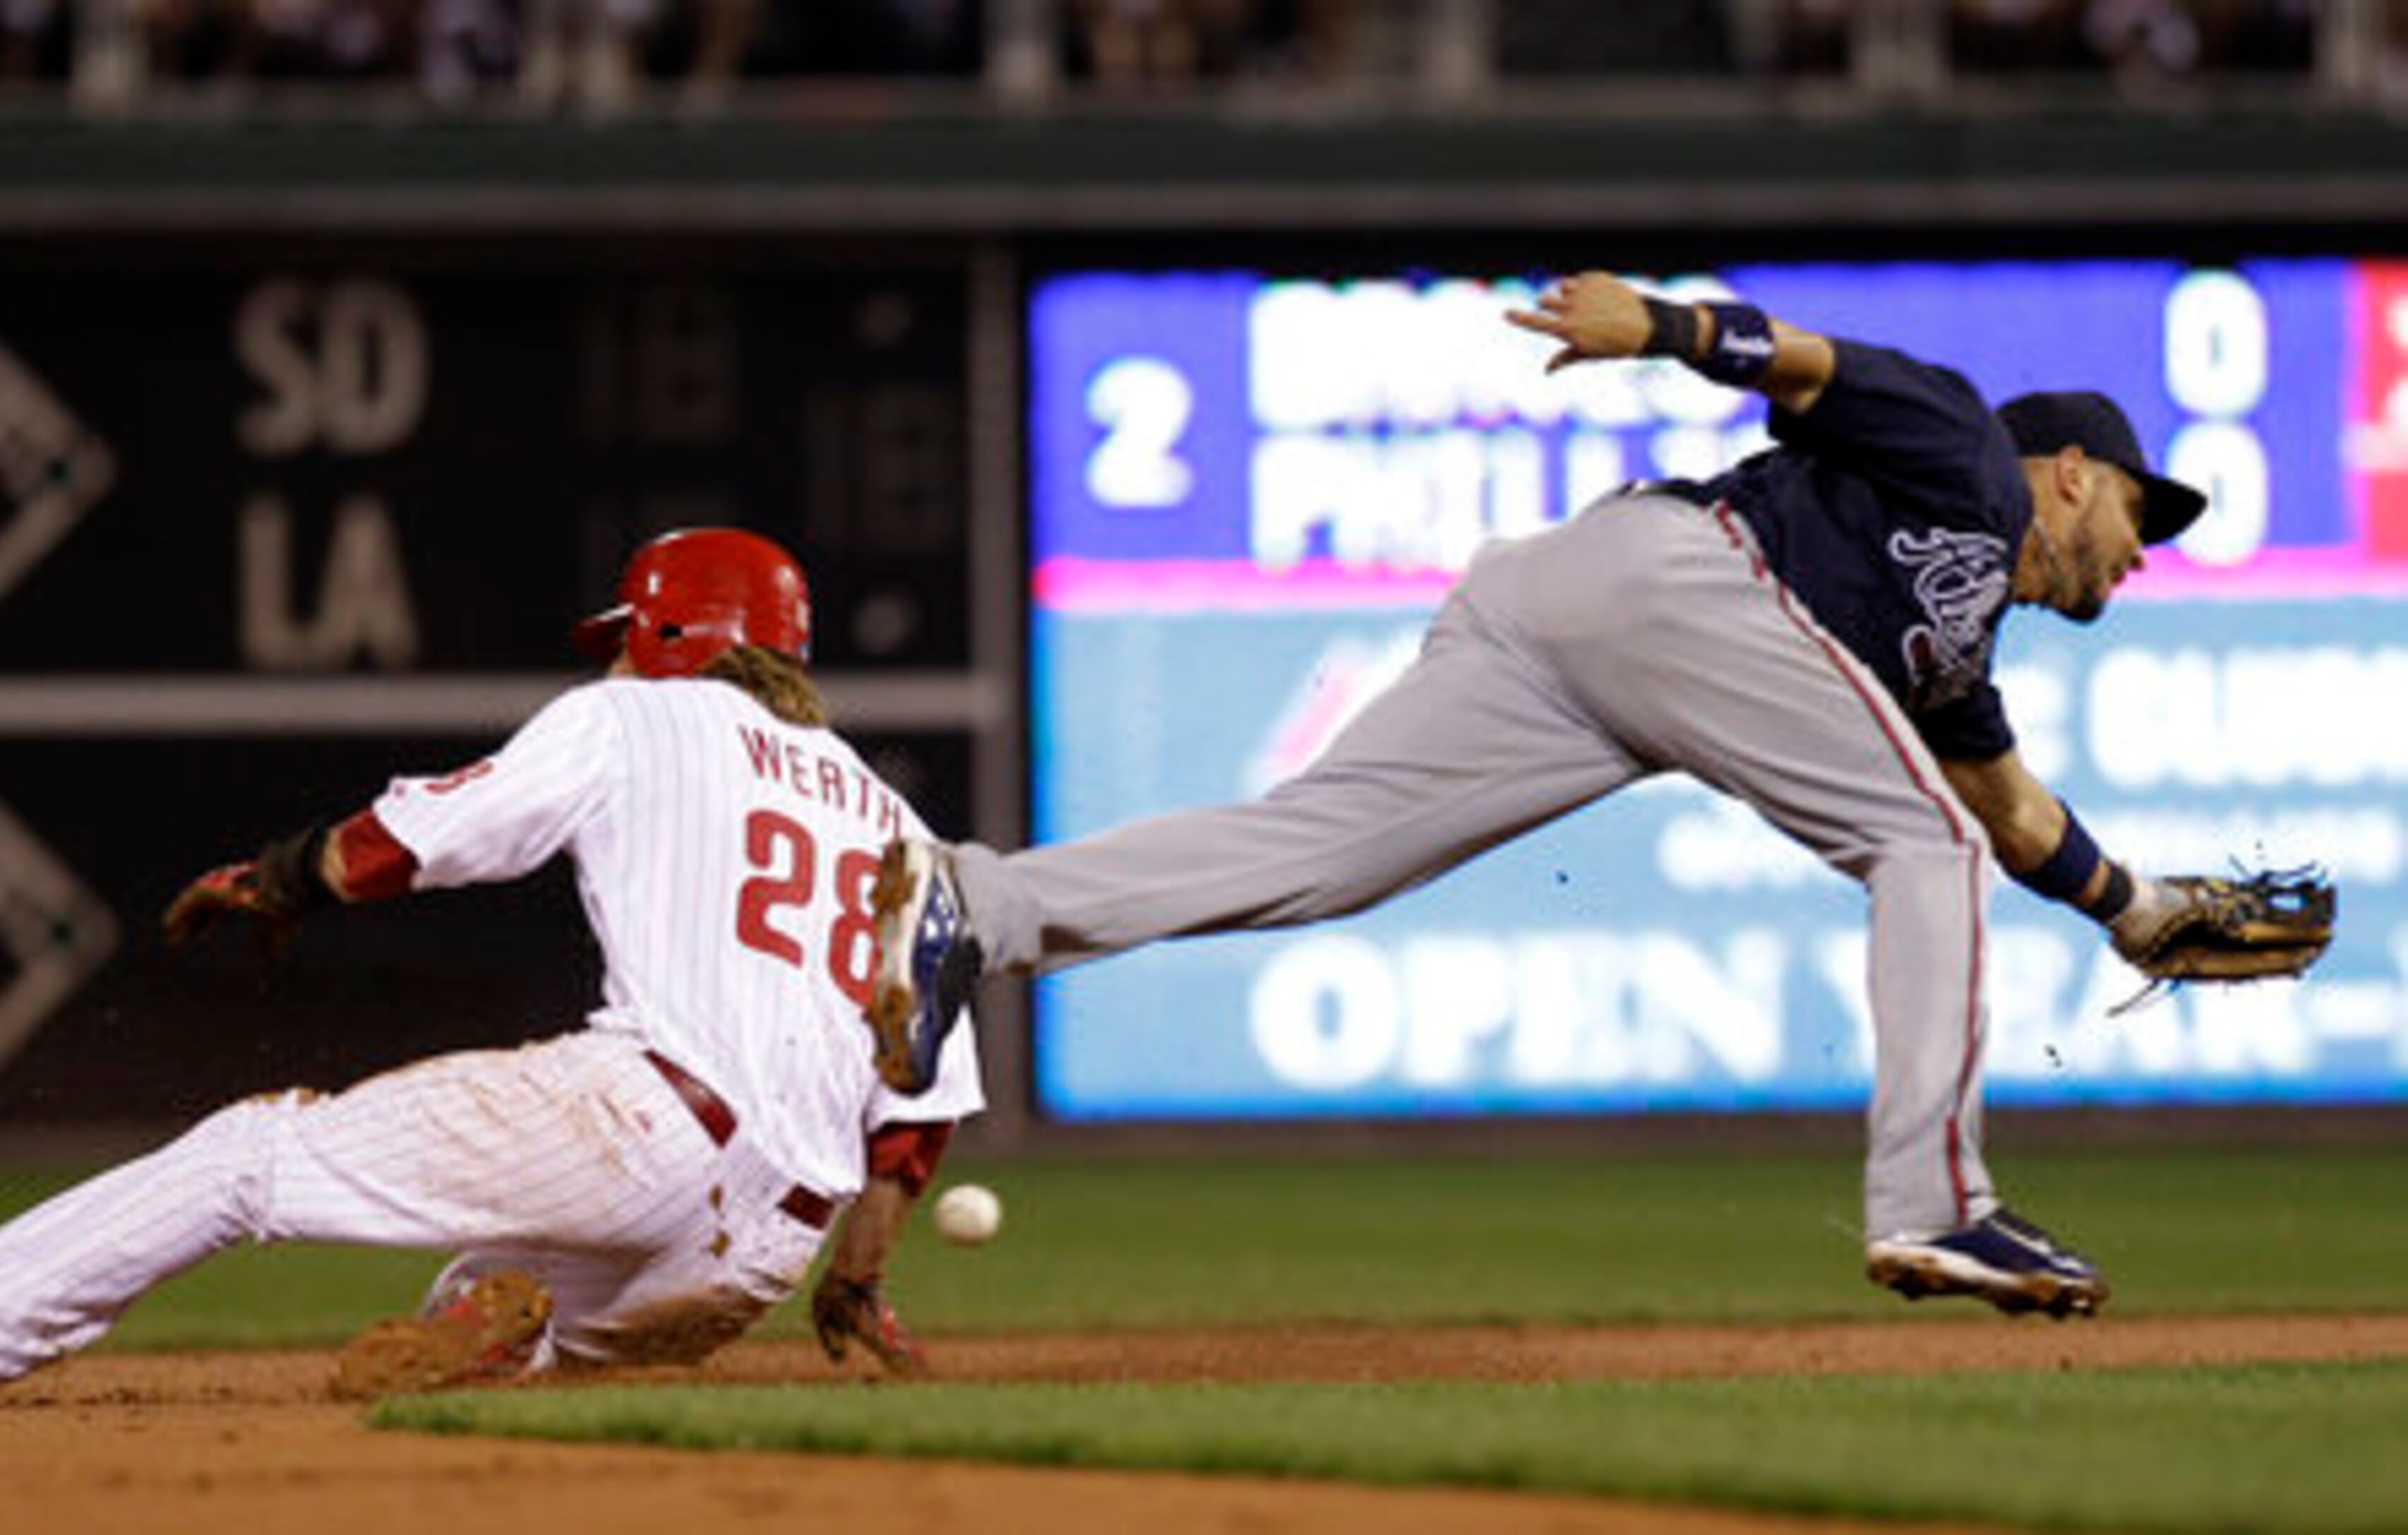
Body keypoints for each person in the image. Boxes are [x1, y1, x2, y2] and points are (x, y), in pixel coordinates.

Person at [868, 270, 2214, 1320]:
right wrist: (1672, 328)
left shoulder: (1956, 657)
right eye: (2141, 517)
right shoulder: (1976, 454)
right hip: (1685, 576)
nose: (2141, 553)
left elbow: (2014, 810)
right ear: (2074, 474)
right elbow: (1816, 371)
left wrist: (2137, 907)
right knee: (1918, 841)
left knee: (1319, 853)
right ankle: (1936, 1200)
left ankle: (972, 904)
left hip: (1566, 615)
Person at [0, 527, 983, 1408]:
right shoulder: (902, 825)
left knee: (251, 1158)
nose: (618, 660)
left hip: (643, 1123)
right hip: (772, 1239)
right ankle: (519, 1334)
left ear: (672, 635)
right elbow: (916, 1107)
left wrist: (292, 871)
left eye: (630, 640)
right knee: (498, 1294)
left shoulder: (636, 716)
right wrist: (855, 1276)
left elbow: (441, 831)